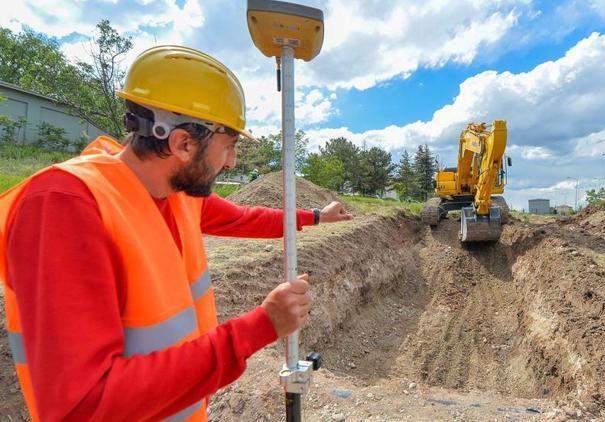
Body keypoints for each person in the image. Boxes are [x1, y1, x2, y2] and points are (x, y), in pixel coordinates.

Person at [0, 45, 352, 421]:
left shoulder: (177, 193)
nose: (231, 162)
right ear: (183, 143)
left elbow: (243, 218)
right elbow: (84, 406)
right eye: (229, 146)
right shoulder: (63, 207)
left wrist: (316, 217)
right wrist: (259, 326)